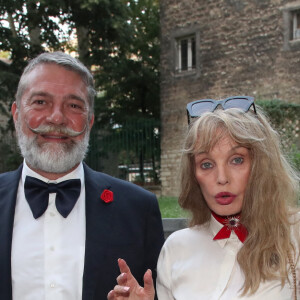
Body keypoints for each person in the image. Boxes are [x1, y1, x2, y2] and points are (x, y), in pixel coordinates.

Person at [0, 51, 164, 300]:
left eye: (74, 105)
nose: (56, 117)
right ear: (16, 114)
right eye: (41, 102)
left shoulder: (139, 209)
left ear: (89, 122)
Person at [107, 96, 300, 300]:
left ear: (260, 165)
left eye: (236, 160)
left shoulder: (294, 233)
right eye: (206, 164)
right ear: (194, 174)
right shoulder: (176, 248)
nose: (222, 178)